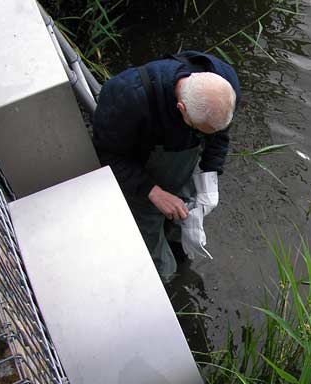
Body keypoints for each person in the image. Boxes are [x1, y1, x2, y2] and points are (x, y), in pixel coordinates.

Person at [92, 51, 240, 278]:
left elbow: (219, 135)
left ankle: (178, 248)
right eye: (200, 130)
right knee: (148, 233)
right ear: (181, 108)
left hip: (179, 160)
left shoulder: (223, 83)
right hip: (141, 171)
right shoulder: (126, 97)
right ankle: (165, 281)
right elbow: (108, 156)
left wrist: (210, 178)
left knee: (184, 212)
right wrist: (153, 192)